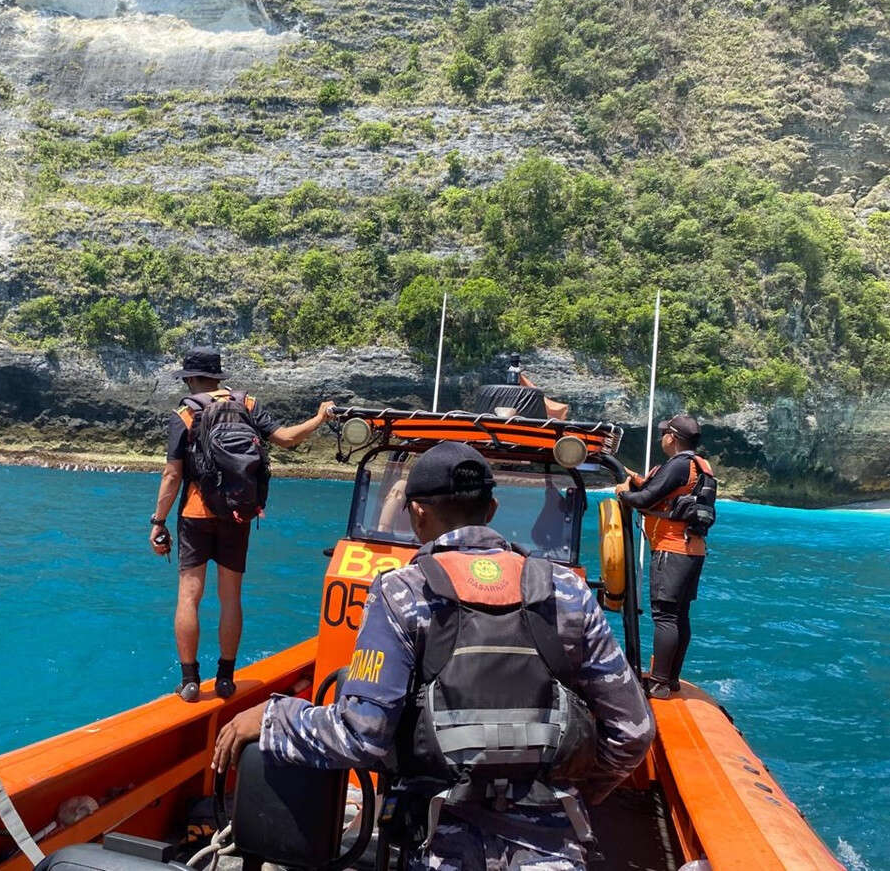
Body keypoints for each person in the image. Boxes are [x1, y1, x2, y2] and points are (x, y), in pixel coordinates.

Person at [213, 442, 654, 871]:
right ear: (493, 510)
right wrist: (570, 791)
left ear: (417, 512)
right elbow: (633, 732)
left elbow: (360, 736)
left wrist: (274, 717)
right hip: (553, 847)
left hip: (440, 844)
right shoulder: (567, 590)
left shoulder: (400, 592)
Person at [149, 347, 334, 702]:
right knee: (230, 597)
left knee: (189, 596)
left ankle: (189, 681)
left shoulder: (185, 414)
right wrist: (320, 418)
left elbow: (172, 475)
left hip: (195, 515)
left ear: (189, 379)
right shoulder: (247, 405)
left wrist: (158, 521)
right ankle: (225, 679)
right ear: (218, 377)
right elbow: (287, 439)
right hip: (238, 513)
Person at [615, 414, 713, 700]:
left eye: (663, 434)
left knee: (665, 616)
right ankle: (670, 679)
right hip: (693, 549)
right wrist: (638, 481)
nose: (661, 439)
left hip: (673, 549)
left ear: (672, 437)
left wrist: (624, 494)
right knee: (679, 614)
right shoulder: (699, 466)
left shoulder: (680, 465)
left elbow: (645, 500)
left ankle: (658, 683)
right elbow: (659, 491)